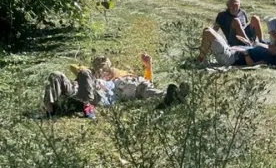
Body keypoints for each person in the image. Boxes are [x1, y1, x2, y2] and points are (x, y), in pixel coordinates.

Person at [42, 54, 185, 116]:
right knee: (56, 75)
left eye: (104, 66)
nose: (101, 68)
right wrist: (88, 72)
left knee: (143, 86)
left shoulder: (118, 73)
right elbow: (76, 68)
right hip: (101, 88)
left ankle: (171, 96)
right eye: (98, 66)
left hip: (121, 86)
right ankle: (50, 110)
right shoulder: (91, 74)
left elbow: (148, 81)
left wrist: (148, 65)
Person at [198, 26, 273, 67]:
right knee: (207, 29)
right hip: (230, 50)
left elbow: (252, 65)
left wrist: (246, 53)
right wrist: (248, 43)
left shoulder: (267, 57)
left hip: (229, 58)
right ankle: (202, 58)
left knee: (208, 33)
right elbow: (254, 51)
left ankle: (200, 59)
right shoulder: (266, 49)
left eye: (275, 45)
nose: (272, 44)